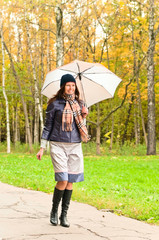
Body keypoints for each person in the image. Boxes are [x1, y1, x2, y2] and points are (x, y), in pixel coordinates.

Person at [36, 74, 90, 228]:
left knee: (71, 180)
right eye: (68, 85)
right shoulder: (54, 104)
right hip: (58, 144)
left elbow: (80, 126)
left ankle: (64, 215)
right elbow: (47, 126)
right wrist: (42, 147)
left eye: (73, 85)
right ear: (62, 86)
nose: (71, 88)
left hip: (75, 145)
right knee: (63, 179)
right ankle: (54, 210)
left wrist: (84, 114)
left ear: (75, 87)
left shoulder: (80, 104)